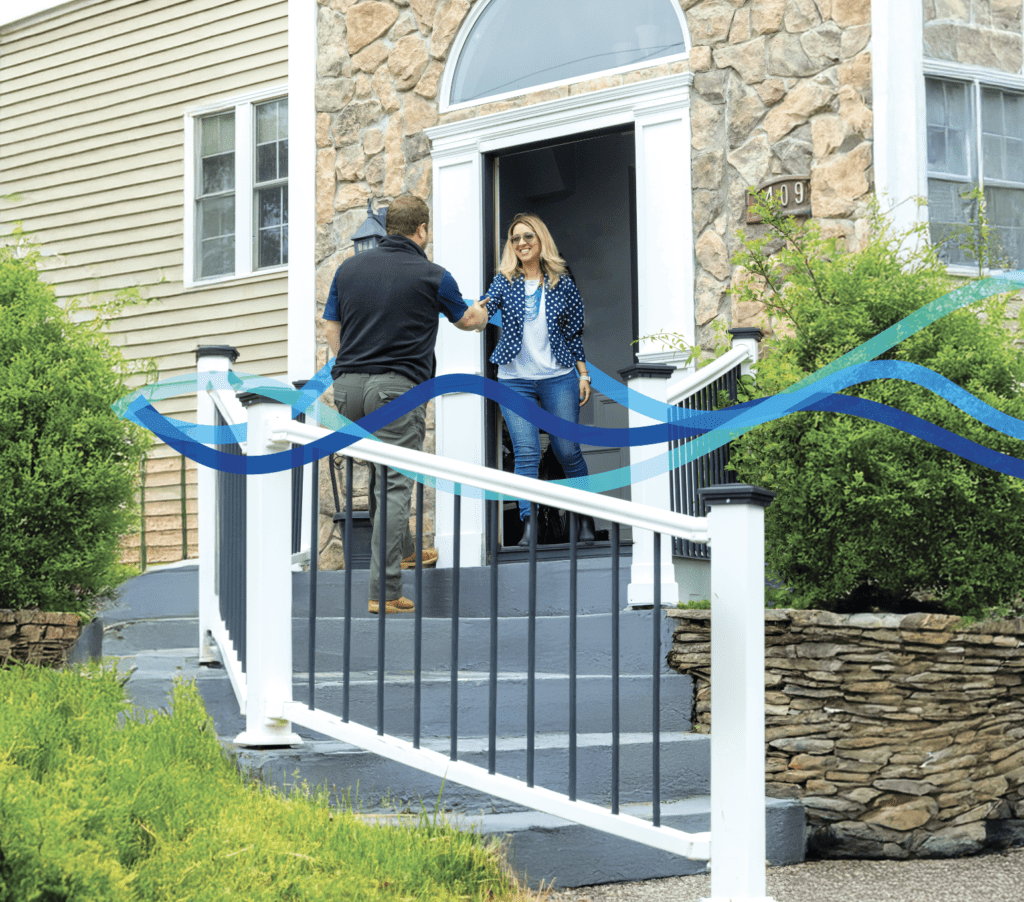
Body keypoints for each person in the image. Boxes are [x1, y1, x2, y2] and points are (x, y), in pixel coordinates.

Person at [322, 194, 488, 614]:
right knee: (396, 483)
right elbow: (467, 320)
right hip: (396, 390)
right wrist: (483, 314)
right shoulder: (433, 275)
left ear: (385, 227)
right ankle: (385, 590)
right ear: (421, 231)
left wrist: (346, 366)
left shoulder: (348, 268)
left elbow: (330, 325)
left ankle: (405, 550)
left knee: (381, 474)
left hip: (348, 391)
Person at [484, 213, 596, 547]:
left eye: (527, 237)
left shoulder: (562, 281)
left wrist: (583, 374)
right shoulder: (504, 281)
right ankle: (529, 523)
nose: (521, 244)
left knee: (568, 450)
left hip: (558, 377)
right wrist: (464, 314)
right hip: (515, 379)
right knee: (527, 452)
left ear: (540, 239)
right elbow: (483, 312)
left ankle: (585, 519)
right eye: (515, 239)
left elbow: (573, 332)